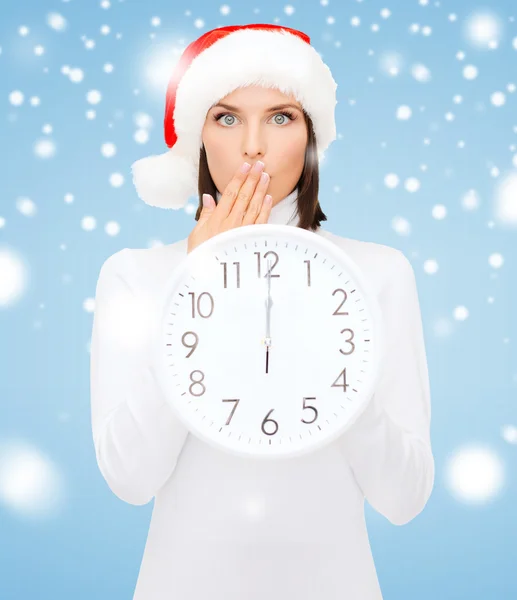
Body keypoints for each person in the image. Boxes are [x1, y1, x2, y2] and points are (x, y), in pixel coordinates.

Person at [90, 24, 434, 600]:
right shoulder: (137, 277)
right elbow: (130, 478)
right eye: (226, 117)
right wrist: (197, 293)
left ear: (312, 134)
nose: (253, 144)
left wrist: (339, 370)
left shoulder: (377, 274)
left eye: (281, 117)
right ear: (197, 138)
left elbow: (404, 498)